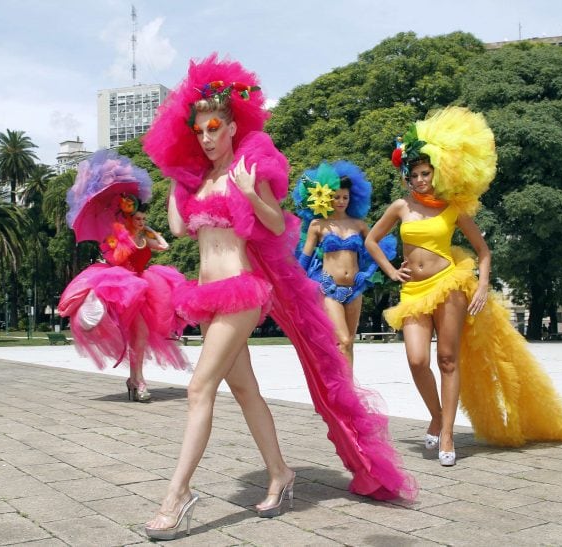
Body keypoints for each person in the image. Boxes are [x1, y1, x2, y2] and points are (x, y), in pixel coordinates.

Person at [142, 54, 415, 540]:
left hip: (243, 290)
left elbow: (274, 225)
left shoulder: (249, 168)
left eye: (212, 128)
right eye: (197, 131)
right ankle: (280, 473)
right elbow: (182, 230)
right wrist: (173, 182)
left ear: (230, 126)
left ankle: (177, 494)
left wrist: (250, 194)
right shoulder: (198, 181)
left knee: (198, 389)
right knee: (244, 390)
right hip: (206, 294)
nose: (205, 138)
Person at [365, 106, 562, 466]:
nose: (420, 180)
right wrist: (390, 270)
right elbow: (371, 240)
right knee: (417, 360)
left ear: (437, 173)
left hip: (450, 284)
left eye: (426, 173)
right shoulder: (400, 206)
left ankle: (447, 433)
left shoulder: (452, 208)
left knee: (447, 359)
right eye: (414, 174)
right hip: (414, 290)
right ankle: (435, 414)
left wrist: (481, 287)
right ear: (407, 177)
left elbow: (483, 251)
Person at [57, 150, 189, 402]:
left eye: (143, 218)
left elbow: (164, 246)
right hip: (122, 288)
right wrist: (123, 240)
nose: (141, 221)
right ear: (129, 216)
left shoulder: (144, 235)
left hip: (144, 289)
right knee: (129, 334)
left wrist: (148, 230)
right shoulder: (117, 235)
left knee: (138, 336)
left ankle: (136, 379)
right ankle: (135, 379)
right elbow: (114, 259)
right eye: (138, 218)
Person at [294, 161, 396, 370]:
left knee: (349, 343)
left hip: (355, 288)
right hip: (328, 288)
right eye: (336, 197)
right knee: (343, 340)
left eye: (345, 197)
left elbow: (376, 249)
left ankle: (347, 395)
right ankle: (343, 393)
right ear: (326, 197)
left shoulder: (359, 225)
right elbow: (305, 258)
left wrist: (377, 272)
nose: (341, 201)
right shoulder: (317, 225)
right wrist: (293, 284)